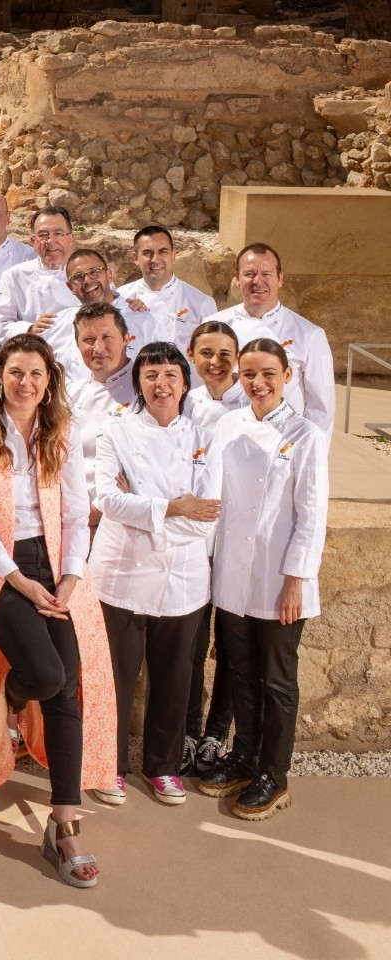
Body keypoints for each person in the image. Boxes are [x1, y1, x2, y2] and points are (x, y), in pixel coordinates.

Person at [0, 333, 115, 888]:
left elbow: (75, 510)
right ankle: (11, 697)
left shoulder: (60, 430)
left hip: (53, 561)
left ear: (49, 381)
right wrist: (20, 581)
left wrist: (69, 577)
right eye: (16, 372)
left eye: (36, 374)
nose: (26, 383)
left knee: (67, 690)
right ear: (0, 376)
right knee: (44, 674)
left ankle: (64, 826)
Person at [198, 338, 329, 821]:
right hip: (234, 575)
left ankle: (274, 774)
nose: (258, 382)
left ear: (287, 375)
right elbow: (211, 494)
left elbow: (312, 513)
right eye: (249, 373)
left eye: (268, 373)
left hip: (279, 580)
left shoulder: (305, 434)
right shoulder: (228, 426)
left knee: (277, 680)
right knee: (239, 673)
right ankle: (243, 757)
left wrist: (297, 577)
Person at [87, 341, 220, 807]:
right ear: (138, 384)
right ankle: (109, 765)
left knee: (174, 677)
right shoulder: (116, 431)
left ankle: (162, 767)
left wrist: (145, 508)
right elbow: (105, 498)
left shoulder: (205, 437)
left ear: (186, 383)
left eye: (170, 375)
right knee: (115, 677)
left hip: (183, 576)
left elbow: (210, 509)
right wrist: (173, 506)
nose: (160, 384)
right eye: (150, 376)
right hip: (122, 574)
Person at [180, 320, 248, 774]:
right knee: (190, 642)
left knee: (231, 646)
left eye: (225, 353)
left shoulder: (252, 404)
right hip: (197, 540)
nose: (216, 362)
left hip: (239, 541)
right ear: (192, 354)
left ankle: (215, 735)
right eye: (206, 352)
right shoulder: (185, 402)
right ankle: (186, 732)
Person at [207, 243, 335, 434]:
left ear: (280, 278)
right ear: (237, 279)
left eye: (266, 274)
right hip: (226, 439)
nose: (258, 281)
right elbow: (199, 388)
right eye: (249, 274)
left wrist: (309, 456)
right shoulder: (213, 326)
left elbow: (321, 409)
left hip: (282, 443)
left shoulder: (310, 334)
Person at [41, 248, 160, 381]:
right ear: (70, 287)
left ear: (109, 275)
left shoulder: (143, 320)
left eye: (94, 272)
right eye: (78, 277)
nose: (87, 280)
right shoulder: (55, 325)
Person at [65, 303, 136, 524]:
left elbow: (140, 462)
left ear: (126, 338)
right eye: (88, 340)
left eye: (107, 337)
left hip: (119, 518)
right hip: (72, 515)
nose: (98, 348)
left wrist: (95, 511)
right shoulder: (71, 393)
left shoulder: (146, 388)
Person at [116, 226, 216, 358]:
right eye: (147, 253)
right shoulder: (121, 297)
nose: (155, 259)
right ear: (135, 258)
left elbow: (214, 351)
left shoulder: (201, 303)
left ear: (173, 256)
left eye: (163, 252)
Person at [0, 205, 81, 340]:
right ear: (33, 241)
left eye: (58, 233)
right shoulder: (14, 276)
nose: (50, 241)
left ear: (71, 238)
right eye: (43, 235)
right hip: (34, 355)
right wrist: (29, 329)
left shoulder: (89, 273)